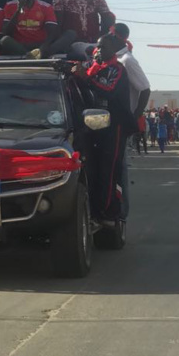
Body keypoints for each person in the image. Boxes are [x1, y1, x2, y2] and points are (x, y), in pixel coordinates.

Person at [74, 33, 137, 223]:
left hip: (114, 125)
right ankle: (95, 208)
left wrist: (86, 78)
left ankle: (108, 210)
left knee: (109, 169)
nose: (98, 50)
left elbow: (109, 91)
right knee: (93, 168)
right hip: (92, 125)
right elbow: (81, 72)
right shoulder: (96, 66)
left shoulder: (117, 69)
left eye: (102, 47)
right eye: (98, 47)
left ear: (113, 49)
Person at [105, 23, 150, 222]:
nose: (107, 37)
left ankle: (121, 214)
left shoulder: (127, 61)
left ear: (118, 37)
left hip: (123, 121)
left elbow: (145, 88)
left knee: (121, 167)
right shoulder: (113, 59)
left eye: (110, 34)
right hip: (112, 122)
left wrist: (134, 116)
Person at [52, 0, 116, 59]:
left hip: (93, 44)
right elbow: (57, 26)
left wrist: (101, 39)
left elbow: (108, 20)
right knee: (90, 50)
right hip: (73, 45)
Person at [0, 0, 75, 58]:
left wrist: (45, 46)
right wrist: (19, 10)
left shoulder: (45, 7)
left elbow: (52, 32)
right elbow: (6, 32)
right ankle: (30, 56)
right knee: (4, 40)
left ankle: (39, 54)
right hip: (20, 45)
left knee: (71, 34)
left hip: (40, 44)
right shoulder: (10, 5)